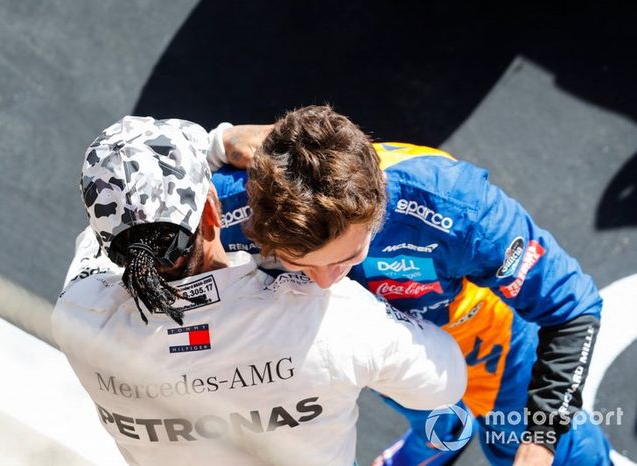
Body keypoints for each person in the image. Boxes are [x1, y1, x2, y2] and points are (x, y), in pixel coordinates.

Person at [207, 106, 613, 465]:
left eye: (348, 257)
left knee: (532, 448)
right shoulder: (227, 204)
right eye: (298, 262)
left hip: (487, 346)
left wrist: (539, 444)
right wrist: (216, 142)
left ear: (377, 210)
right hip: (380, 346)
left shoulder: (453, 204)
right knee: (430, 418)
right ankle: (439, 440)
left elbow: (572, 309)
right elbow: (147, 171)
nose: (327, 281)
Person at [51, 115, 467, 466]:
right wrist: (219, 143)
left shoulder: (79, 319)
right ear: (214, 212)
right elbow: (445, 381)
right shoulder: (334, 317)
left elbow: (102, 235)